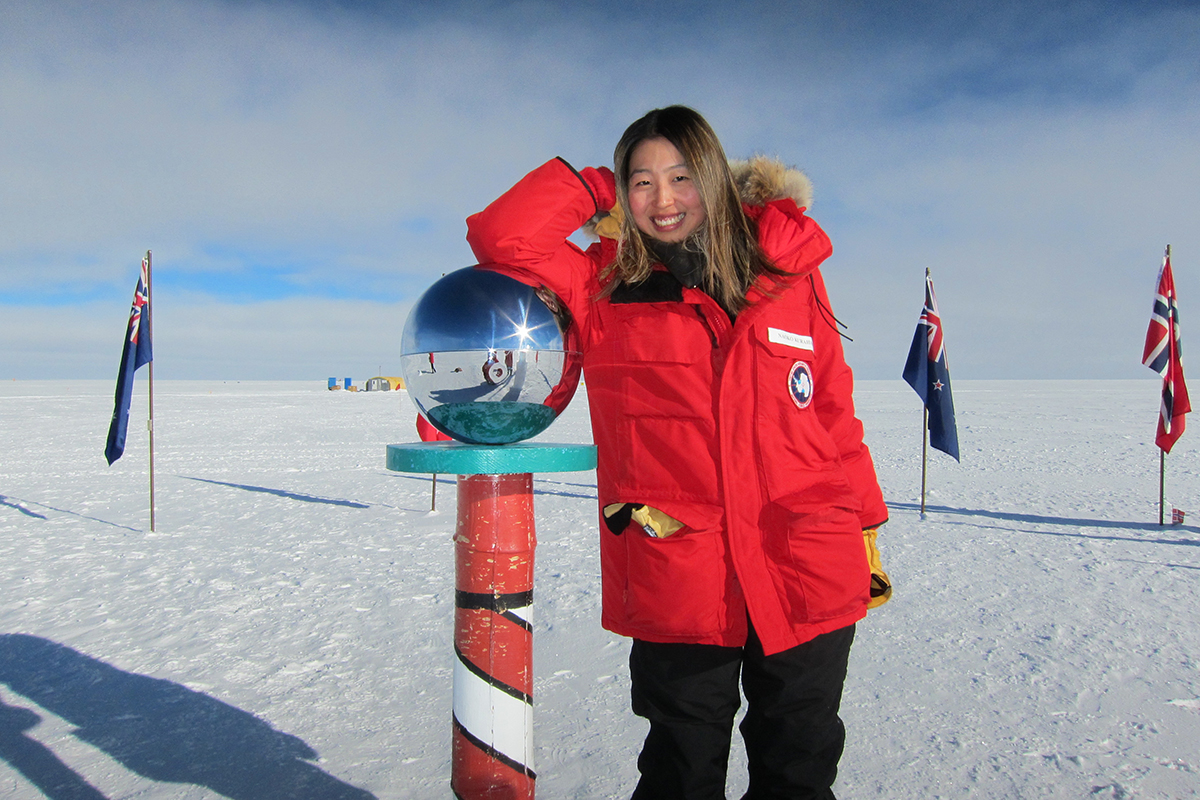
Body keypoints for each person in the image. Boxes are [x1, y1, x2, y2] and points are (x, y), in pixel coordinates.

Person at [466, 105, 890, 799]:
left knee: (801, 762)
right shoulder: (602, 285)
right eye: (642, 181)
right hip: (682, 568)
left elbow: (833, 411)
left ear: (715, 179)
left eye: (682, 176)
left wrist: (864, 523)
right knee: (681, 768)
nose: (663, 199)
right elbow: (499, 236)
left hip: (806, 556)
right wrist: (596, 187)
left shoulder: (791, 273)